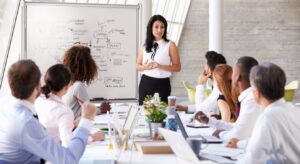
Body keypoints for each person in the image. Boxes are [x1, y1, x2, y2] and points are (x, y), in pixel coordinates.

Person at [0, 59, 96, 163]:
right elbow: (69, 160)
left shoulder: (6, 107)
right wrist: (86, 120)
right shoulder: (27, 123)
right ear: (38, 85)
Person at [239, 63, 300, 163]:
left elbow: (252, 160)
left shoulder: (268, 118)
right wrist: (239, 143)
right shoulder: (296, 111)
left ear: (257, 93)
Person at [195, 56, 262, 148]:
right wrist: (209, 121)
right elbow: (238, 126)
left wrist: (221, 134)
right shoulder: (248, 96)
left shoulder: (252, 100)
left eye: (233, 72)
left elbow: (238, 134)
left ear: (237, 77)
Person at [35, 64, 104, 147]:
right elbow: (69, 144)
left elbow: (52, 125)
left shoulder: (40, 99)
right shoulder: (64, 111)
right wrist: (93, 137)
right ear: (66, 87)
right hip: (55, 152)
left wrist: (73, 124)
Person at [136, 15, 181, 105]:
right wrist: (145, 67)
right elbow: (137, 66)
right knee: (143, 113)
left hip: (162, 84)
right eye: (156, 27)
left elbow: (178, 67)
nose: (159, 30)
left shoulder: (170, 45)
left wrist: (160, 66)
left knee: (161, 114)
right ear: (151, 28)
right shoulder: (144, 45)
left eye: (162, 27)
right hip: (146, 83)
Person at [62, 44, 110, 120]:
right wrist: (102, 110)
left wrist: (99, 108)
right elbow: (89, 111)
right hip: (75, 128)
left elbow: (84, 108)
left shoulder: (66, 84)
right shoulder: (78, 86)